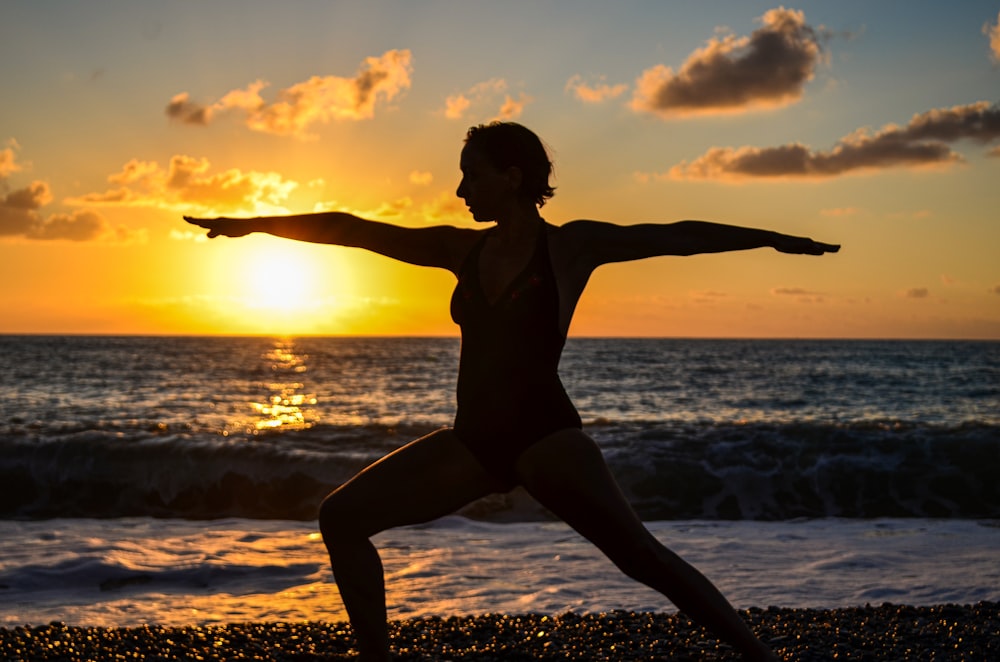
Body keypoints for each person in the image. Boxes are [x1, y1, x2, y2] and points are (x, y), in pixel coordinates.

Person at [185, 121, 839, 661]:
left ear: (512, 178)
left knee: (642, 558)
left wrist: (776, 239)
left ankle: (760, 659)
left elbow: (678, 237)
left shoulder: (570, 248)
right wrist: (253, 224)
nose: (461, 188)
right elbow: (352, 228)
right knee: (341, 518)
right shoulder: (459, 251)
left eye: (472, 173)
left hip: (548, 438)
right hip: (475, 443)